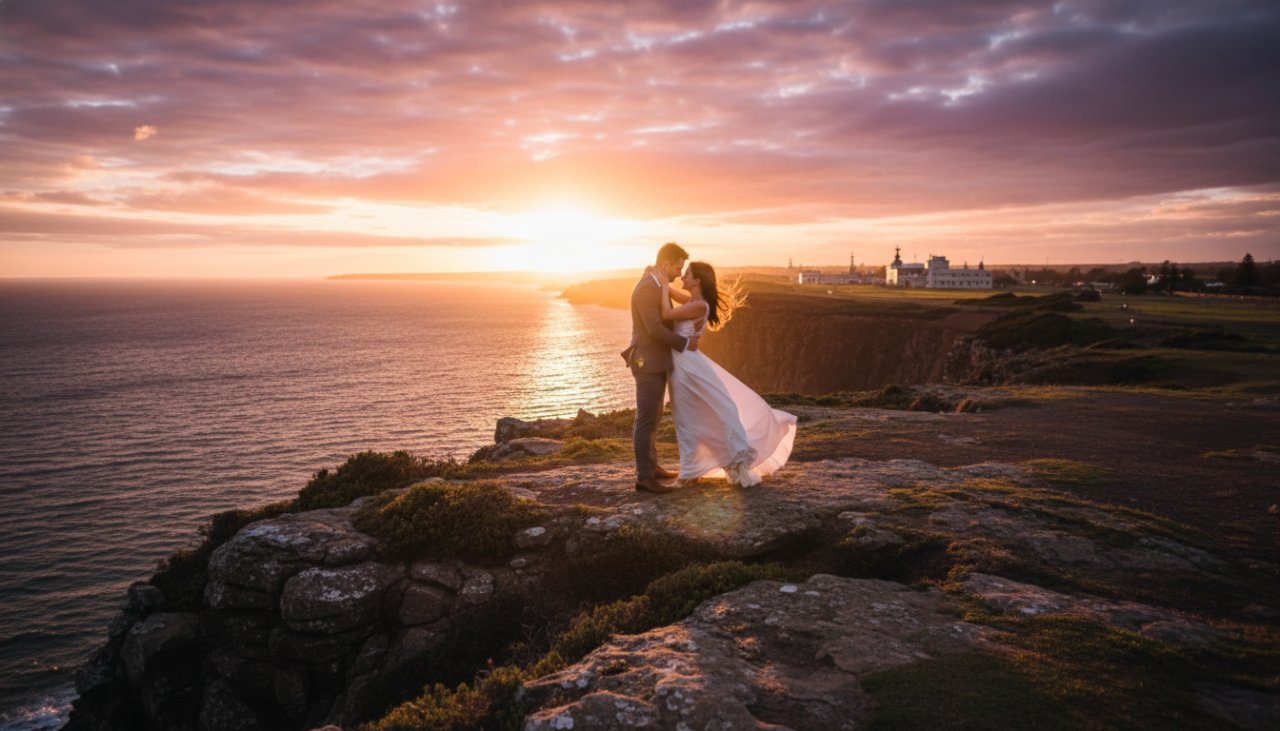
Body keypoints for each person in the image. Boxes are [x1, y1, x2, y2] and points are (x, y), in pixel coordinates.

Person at [655, 260, 796, 486]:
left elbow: (666, 311)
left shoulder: (699, 305)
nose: (682, 278)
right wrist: (659, 280)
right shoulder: (694, 301)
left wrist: (661, 284)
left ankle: (689, 474)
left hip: (686, 365)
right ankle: (691, 471)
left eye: (687, 275)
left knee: (688, 417)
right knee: (689, 417)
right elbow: (673, 296)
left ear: (697, 281)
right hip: (684, 362)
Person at [624, 242, 697, 493]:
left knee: (653, 417)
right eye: (678, 267)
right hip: (647, 362)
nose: (679, 273)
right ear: (666, 264)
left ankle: (652, 467)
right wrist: (684, 342)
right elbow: (654, 329)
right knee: (646, 419)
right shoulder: (646, 288)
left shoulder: (656, 285)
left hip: (656, 361)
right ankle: (644, 477)